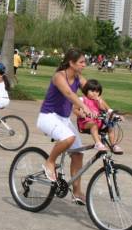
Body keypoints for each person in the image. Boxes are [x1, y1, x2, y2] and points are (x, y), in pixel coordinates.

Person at [37, 49, 96, 205]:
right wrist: (85, 108)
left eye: (85, 62)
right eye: (81, 62)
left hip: (63, 119)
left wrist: (108, 110)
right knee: (68, 138)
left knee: (78, 154)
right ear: (71, 63)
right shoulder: (59, 76)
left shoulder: (78, 77)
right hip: (48, 117)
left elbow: (92, 92)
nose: (84, 65)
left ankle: (76, 192)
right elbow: (69, 94)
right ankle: (49, 162)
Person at [76, 79, 123, 153]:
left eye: (97, 91)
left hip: (99, 123)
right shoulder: (82, 99)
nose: (95, 93)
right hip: (85, 123)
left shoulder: (99, 100)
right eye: (92, 91)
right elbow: (75, 110)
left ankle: (113, 145)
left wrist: (116, 116)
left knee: (110, 126)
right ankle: (98, 143)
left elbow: (109, 110)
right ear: (86, 90)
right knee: (93, 125)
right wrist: (82, 114)